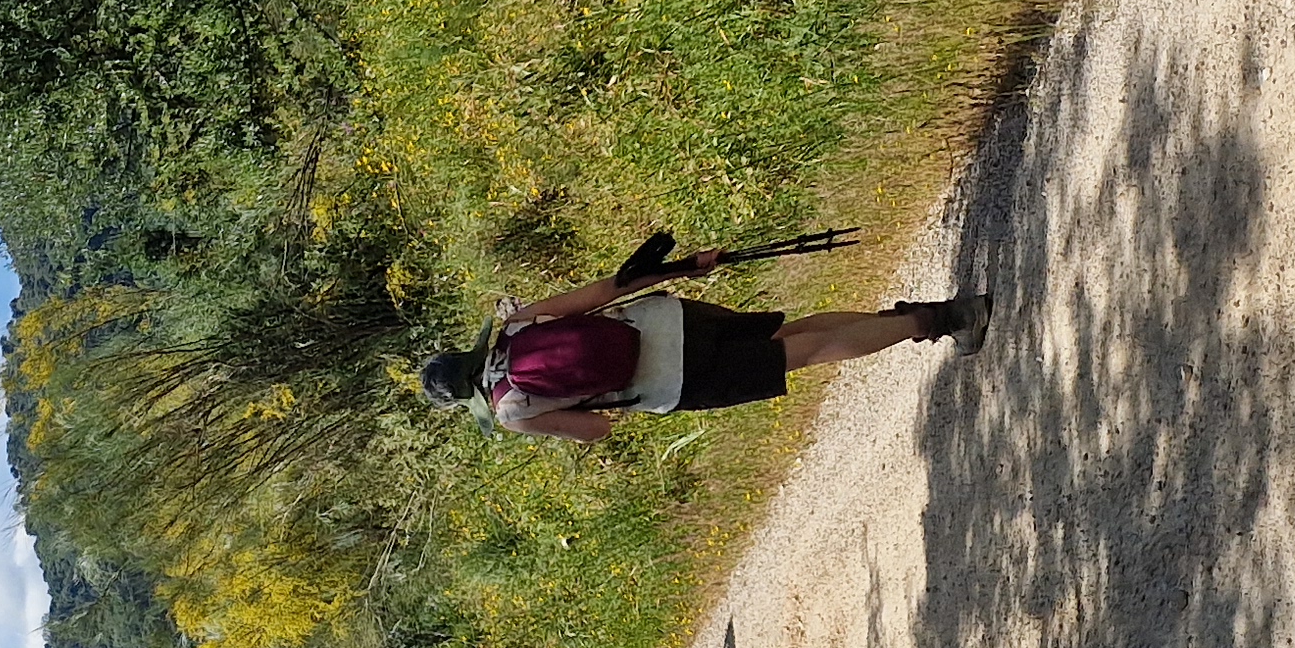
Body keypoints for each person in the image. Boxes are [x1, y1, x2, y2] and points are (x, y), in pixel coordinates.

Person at [416, 236, 990, 443]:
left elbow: (598, 428)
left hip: (673, 380)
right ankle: (918, 317)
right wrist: (683, 269)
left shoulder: (512, 411)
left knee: (803, 353)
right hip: (671, 320)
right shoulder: (516, 325)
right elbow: (604, 292)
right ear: (468, 354)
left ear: (466, 398)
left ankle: (944, 319)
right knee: (790, 333)